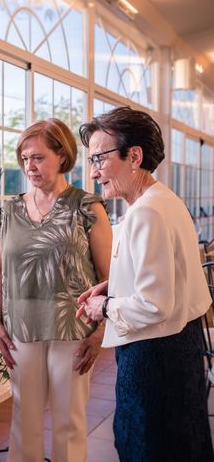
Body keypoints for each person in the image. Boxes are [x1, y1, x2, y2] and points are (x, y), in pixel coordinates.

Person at [76, 107, 214, 461]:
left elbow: (155, 304)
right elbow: (169, 273)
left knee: (147, 446)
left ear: (133, 156)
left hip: (155, 357)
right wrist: (112, 285)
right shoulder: (160, 200)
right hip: (178, 347)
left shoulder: (147, 212)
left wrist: (103, 307)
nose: (93, 172)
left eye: (99, 159)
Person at [0, 118, 112, 462]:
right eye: (24, 158)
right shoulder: (10, 210)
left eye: (38, 157)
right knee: (23, 421)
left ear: (62, 156)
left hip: (73, 329)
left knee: (68, 422)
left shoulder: (88, 207)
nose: (30, 166)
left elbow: (110, 276)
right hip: (21, 330)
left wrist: (100, 330)